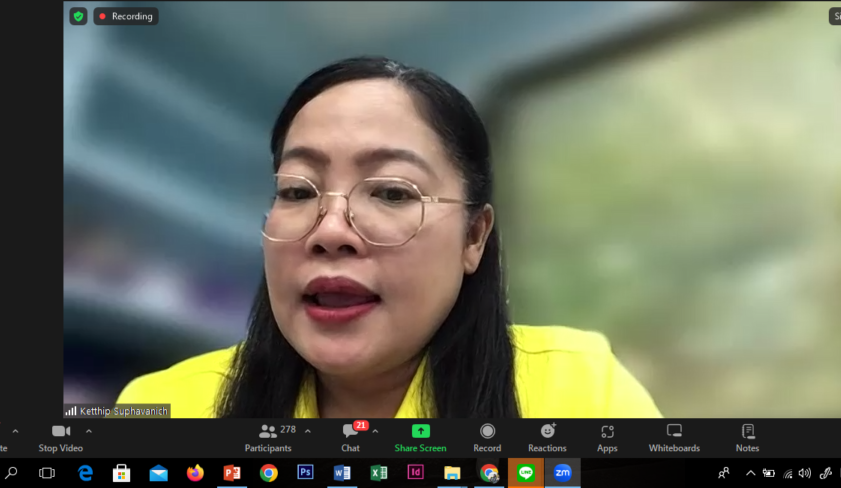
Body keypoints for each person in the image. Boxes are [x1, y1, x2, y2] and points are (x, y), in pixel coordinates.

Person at [116, 57, 663, 419]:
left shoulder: (579, 389)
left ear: (474, 237)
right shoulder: (163, 405)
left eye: (393, 192)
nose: (331, 232)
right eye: (298, 191)